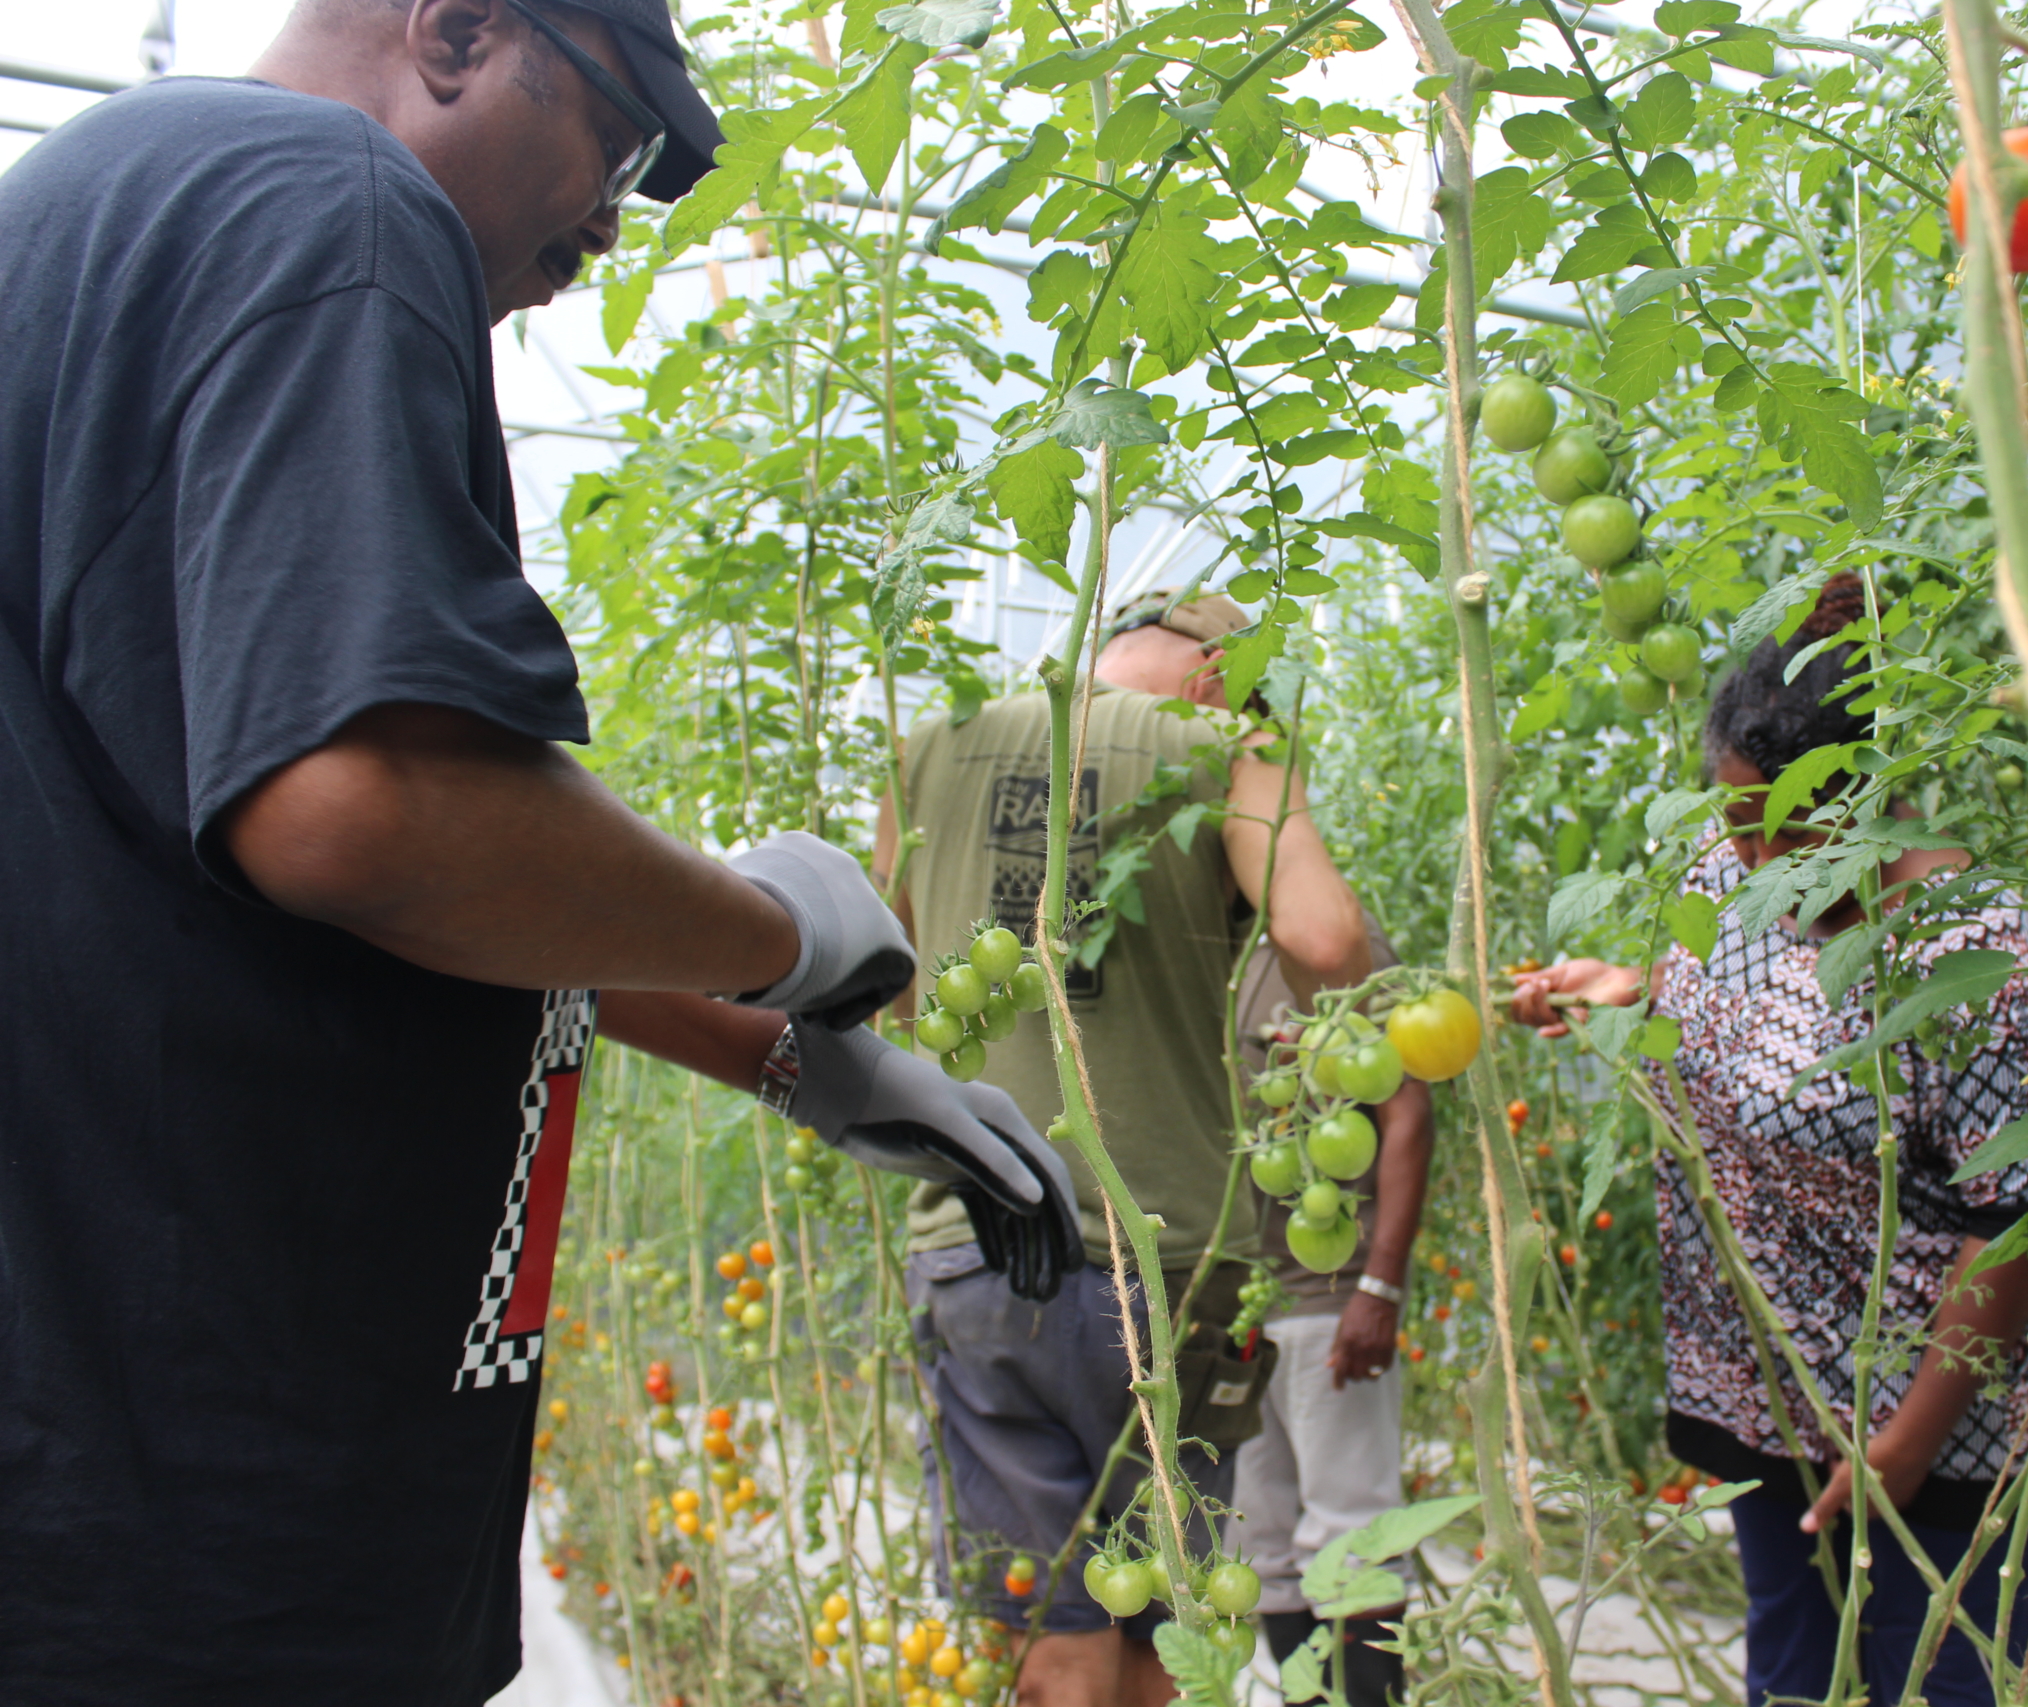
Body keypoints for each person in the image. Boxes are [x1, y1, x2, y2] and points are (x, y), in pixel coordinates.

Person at [0, 4, 1073, 1698]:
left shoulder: (93, 219)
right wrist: (769, 924)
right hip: (205, 1502)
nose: (609, 220)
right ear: (456, 27)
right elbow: (362, 810)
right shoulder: (327, 201)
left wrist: (783, 1051)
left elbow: (307, 860)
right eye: (619, 142)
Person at [1511, 573, 2028, 1707]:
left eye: (1774, 827)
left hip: (1939, 1419)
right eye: (1727, 819)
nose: (1743, 856)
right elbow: (1728, 1008)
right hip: (1766, 1385)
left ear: (1862, 797)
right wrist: (1612, 987)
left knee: (1932, 1676)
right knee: (1788, 1667)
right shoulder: (1730, 878)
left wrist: (1909, 1441)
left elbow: (2022, 1218)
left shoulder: (1974, 954)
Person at [884, 589, 1372, 1707]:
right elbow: (1326, 939)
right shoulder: (1226, 749)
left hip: (984, 1242)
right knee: (1165, 1631)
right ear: (1217, 677)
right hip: (1178, 1260)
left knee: (1047, 1618)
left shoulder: (934, 741)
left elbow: (891, 986)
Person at [1227, 915, 1433, 1707]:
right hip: (1241, 1304)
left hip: (1329, 1295)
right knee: (1266, 1549)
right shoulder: (1213, 949)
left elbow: (1406, 1112)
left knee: (1353, 1541)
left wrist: (1379, 1283)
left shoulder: (1336, 942)